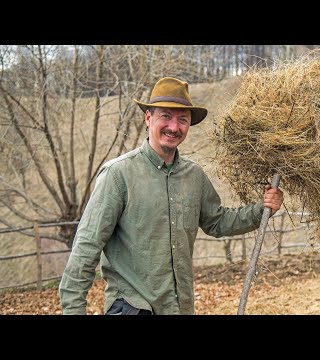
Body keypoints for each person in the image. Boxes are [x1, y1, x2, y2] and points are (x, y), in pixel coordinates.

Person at [59, 76, 284, 315]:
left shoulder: (193, 175)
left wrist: (263, 209)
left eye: (182, 120)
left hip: (179, 308)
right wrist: (73, 310)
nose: (174, 127)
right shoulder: (118, 175)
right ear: (148, 118)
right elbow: (86, 247)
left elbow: (217, 221)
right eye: (165, 116)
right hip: (132, 307)